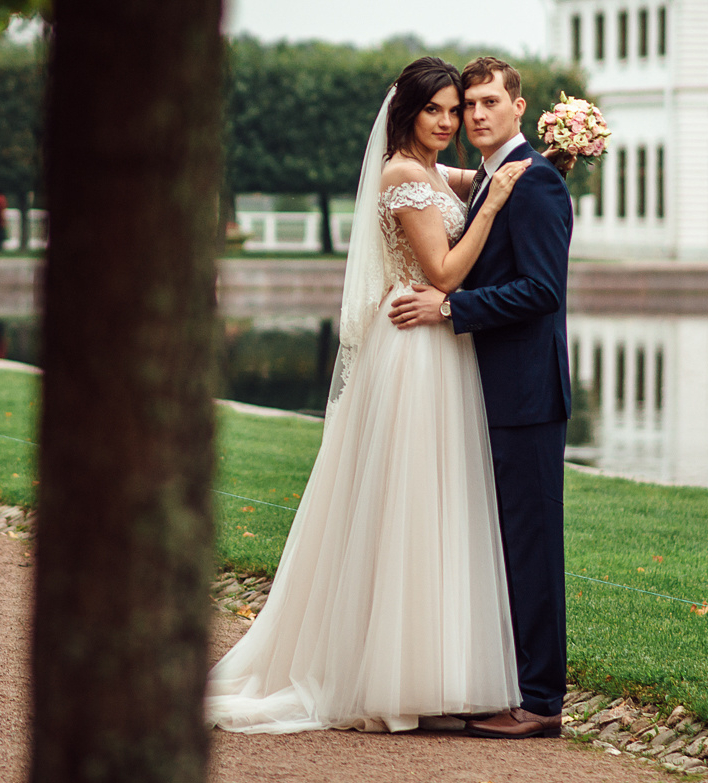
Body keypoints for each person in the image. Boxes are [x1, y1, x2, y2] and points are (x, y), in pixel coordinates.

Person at [206, 56, 528, 733]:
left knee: (438, 501)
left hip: (440, 347)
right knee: (407, 502)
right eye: (434, 110)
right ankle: (391, 675)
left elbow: (501, 167)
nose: (448, 122)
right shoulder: (403, 177)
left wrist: (554, 148)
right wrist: (493, 207)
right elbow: (440, 270)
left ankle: (431, 668)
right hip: (414, 348)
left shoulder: (437, 171)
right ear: (406, 112)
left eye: (454, 110)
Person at [390, 56, 574, 738]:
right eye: (466, 104)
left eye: (489, 101)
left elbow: (541, 293)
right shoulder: (491, 177)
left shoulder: (536, 184)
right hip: (485, 392)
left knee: (531, 550)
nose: (474, 114)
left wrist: (449, 309)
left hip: (526, 396)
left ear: (518, 107)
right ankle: (504, 685)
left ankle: (541, 703)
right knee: (498, 550)